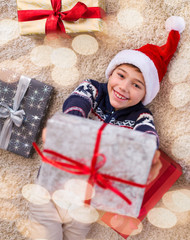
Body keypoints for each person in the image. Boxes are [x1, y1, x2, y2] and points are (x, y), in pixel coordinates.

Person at [30, 16, 185, 240]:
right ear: (110, 73)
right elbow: (77, 102)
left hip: (88, 199)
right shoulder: (93, 88)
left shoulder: (140, 115)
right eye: (121, 75)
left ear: (145, 95)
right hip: (53, 183)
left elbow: (148, 138)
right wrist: (75, 122)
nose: (123, 87)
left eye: (136, 85)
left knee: (76, 233)